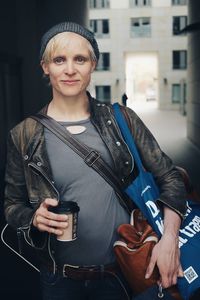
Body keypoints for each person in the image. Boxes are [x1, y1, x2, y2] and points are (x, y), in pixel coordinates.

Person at [4, 21, 187, 300]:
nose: (69, 69)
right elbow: (11, 205)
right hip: (59, 279)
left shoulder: (122, 120)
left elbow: (171, 178)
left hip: (122, 274)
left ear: (93, 64)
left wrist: (170, 239)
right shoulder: (23, 134)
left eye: (80, 59)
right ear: (45, 66)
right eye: (59, 60)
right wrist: (33, 218)